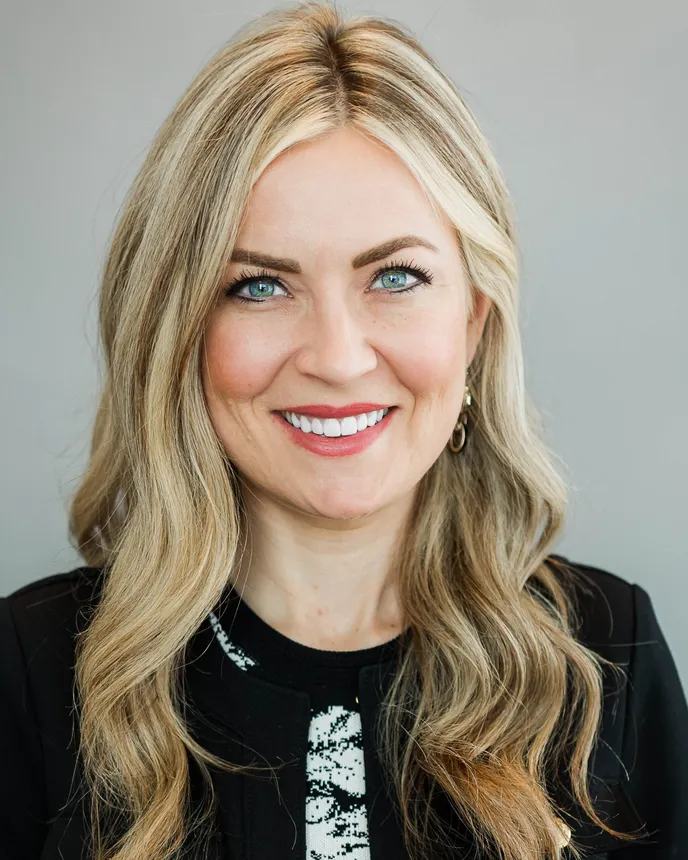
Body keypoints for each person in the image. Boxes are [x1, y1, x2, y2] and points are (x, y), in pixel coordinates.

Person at [1, 3, 687, 859]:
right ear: (179, 332)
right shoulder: (35, 672)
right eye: (259, 286)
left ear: (473, 324)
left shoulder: (605, 656)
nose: (336, 357)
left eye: (394, 277)